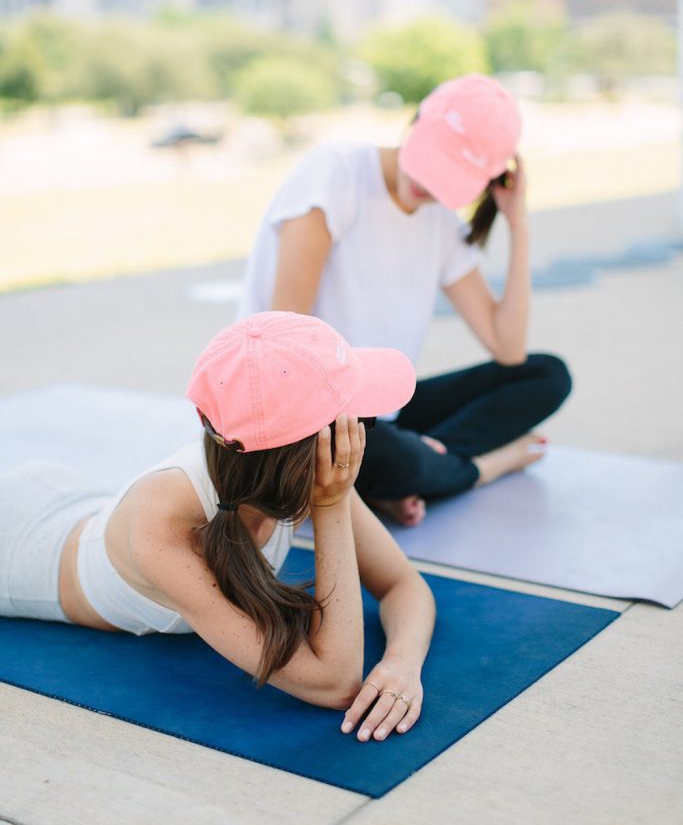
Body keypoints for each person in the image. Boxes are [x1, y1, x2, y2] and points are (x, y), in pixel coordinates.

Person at [0, 311, 435, 742]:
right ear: (314, 444)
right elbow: (335, 682)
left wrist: (401, 663)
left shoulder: (293, 476)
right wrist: (334, 504)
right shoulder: (163, 528)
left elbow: (403, 585)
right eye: (360, 421)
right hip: (18, 545)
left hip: (69, 496)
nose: (361, 434)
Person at [239, 74, 572, 526]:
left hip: (380, 418)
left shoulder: (440, 223)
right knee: (395, 457)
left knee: (546, 375)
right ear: (415, 121)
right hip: (302, 416)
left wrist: (518, 224)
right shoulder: (335, 174)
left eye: (452, 177)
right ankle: (476, 468)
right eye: (432, 161)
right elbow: (286, 345)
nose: (428, 185)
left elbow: (507, 348)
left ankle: (412, 471)